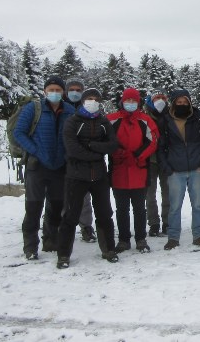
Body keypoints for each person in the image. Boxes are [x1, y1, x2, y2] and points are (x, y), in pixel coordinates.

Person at [56, 88, 120, 269]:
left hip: (99, 176)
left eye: (96, 99)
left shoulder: (103, 122)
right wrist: (96, 153)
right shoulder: (73, 122)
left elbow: (113, 144)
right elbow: (72, 148)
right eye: (89, 98)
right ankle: (63, 254)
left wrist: (92, 145)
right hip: (76, 175)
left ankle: (108, 249)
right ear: (83, 101)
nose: (92, 102)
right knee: (70, 216)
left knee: (105, 214)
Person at [13, 76, 75, 260]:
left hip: (60, 166)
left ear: (63, 92)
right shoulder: (33, 108)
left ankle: (50, 239)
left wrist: (67, 155)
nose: (54, 93)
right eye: (51, 89)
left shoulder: (70, 111)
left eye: (58, 90)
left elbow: (73, 136)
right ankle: (30, 246)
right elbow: (19, 133)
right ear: (45, 91)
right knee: (33, 207)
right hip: (37, 166)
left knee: (56, 206)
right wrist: (35, 151)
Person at [157, 89, 200, 251]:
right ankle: (173, 237)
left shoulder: (197, 119)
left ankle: (199, 235)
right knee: (174, 206)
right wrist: (167, 168)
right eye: (179, 102)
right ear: (174, 103)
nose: (182, 105)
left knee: (198, 205)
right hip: (175, 170)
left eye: (185, 102)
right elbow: (160, 148)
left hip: (197, 168)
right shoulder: (166, 121)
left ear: (189, 102)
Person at [107, 88, 159, 254]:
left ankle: (141, 238)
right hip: (119, 170)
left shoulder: (145, 120)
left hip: (139, 169)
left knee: (139, 208)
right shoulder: (112, 120)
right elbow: (105, 139)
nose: (130, 104)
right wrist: (117, 152)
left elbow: (153, 140)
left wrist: (138, 155)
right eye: (127, 101)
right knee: (121, 209)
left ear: (138, 103)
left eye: (133, 101)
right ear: (122, 101)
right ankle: (123, 239)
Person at [52, 78, 97, 243]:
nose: (75, 92)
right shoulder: (59, 108)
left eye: (79, 90)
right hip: (59, 160)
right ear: (66, 91)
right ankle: (59, 226)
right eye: (72, 89)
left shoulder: (90, 109)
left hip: (81, 161)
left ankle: (86, 227)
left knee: (84, 197)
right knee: (58, 195)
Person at [144, 90, 170, 236]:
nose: (160, 100)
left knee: (168, 193)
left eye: (162, 98)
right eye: (156, 98)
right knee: (150, 194)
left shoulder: (170, 116)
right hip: (150, 160)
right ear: (150, 101)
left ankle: (167, 222)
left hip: (167, 160)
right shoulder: (145, 117)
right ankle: (153, 223)